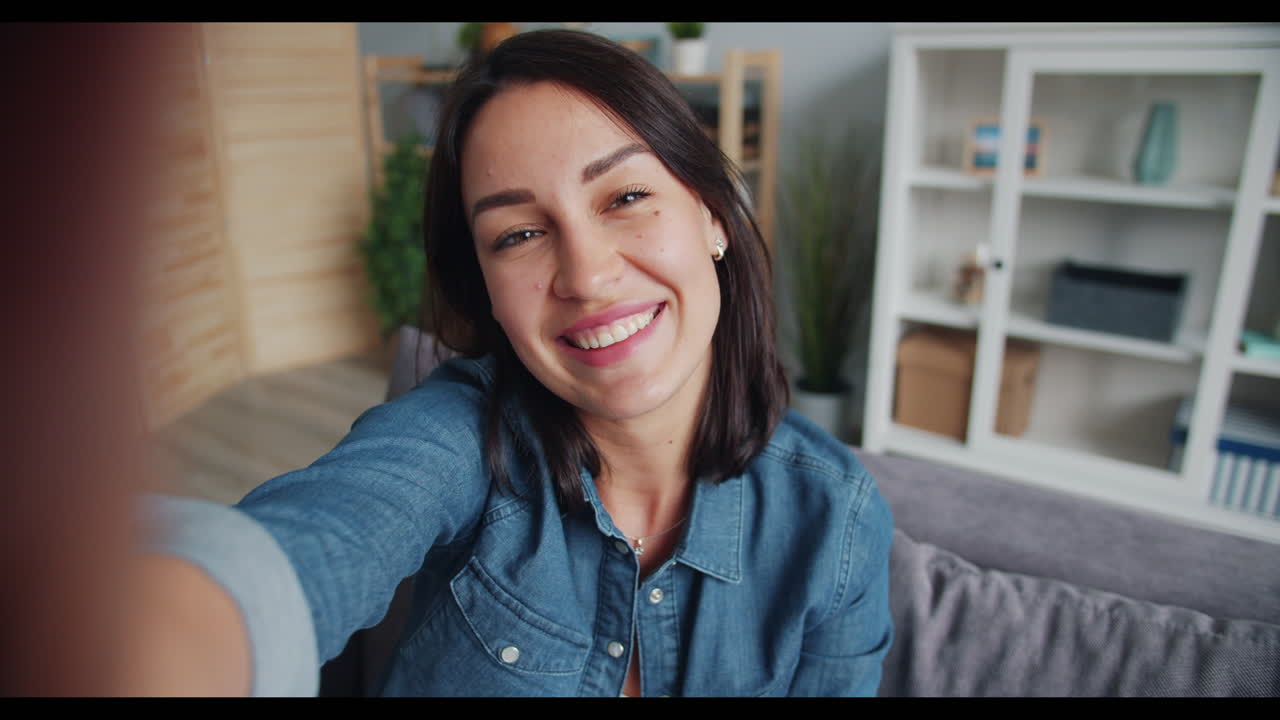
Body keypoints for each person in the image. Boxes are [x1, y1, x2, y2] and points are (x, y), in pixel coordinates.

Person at [130, 28, 894, 697]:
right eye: (518, 235)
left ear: (715, 217)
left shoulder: (837, 526)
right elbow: (309, 544)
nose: (588, 277)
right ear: (489, 293)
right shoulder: (460, 435)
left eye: (625, 195)